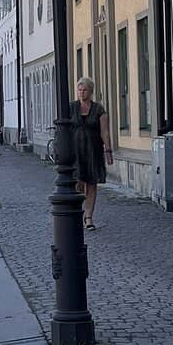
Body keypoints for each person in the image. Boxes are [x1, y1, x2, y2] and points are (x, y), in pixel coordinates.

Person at [69, 76, 113, 230]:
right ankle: (78, 212)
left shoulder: (99, 109)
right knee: (78, 183)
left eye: (84, 90)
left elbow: (105, 132)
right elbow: (65, 129)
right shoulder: (71, 108)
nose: (81, 93)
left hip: (93, 151)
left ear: (91, 91)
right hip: (76, 152)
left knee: (92, 184)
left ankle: (89, 218)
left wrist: (108, 150)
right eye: (79, 90)